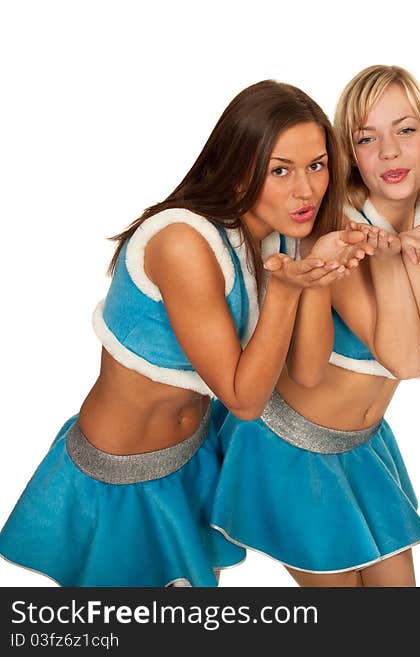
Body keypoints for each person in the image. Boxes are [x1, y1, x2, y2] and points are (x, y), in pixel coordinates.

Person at [0, 80, 368, 587]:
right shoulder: (183, 242)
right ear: (239, 168)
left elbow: (305, 370)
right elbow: (243, 398)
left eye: (317, 165)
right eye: (280, 170)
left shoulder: (281, 234)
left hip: (193, 460)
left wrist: (319, 277)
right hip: (120, 480)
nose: (306, 189)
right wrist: (286, 291)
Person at [211, 65, 420, 587]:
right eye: (366, 138)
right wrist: (390, 258)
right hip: (289, 449)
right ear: (348, 153)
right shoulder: (339, 224)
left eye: (405, 130)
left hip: (361, 445)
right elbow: (406, 360)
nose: (389, 152)